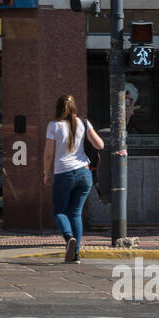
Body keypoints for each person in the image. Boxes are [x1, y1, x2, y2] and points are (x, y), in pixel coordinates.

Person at [43, 94, 105, 263]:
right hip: (84, 173)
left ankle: (69, 236)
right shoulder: (84, 122)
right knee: (75, 213)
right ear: (74, 107)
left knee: (59, 211)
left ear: (58, 108)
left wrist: (47, 174)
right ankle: (75, 254)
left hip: (64, 173)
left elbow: (49, 154)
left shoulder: (54, 125)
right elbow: (100, 145)